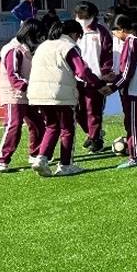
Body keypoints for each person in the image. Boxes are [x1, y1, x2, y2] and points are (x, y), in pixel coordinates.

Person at [28, 20, 110, 176]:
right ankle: (65, 165)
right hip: (60, 93)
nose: (78, 40)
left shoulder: (43, 46)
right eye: (78, 36)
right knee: (67, 129)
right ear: (74, 34)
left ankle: (41, 158)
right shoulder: (68, 47)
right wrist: (99, 84)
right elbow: (82, 71)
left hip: (37, 93)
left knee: (52, 126)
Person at [0, 19, 45, 172]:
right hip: (14, 95)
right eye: (38, 36)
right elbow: (14, 76)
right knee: (14, 125)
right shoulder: (13, 50)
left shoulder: (25, 49)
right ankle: (2, 160)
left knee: (38, 124)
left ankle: (35, 154)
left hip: (27, 94)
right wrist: (30, 86)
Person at [108, 14, 137, 169]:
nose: (114, 35)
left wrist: (113, 87)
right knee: (134, 121)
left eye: (114, 32)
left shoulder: (132, 42)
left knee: (133, 123)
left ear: (121, 29)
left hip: (135, 90)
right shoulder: (134, 42)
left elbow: (127, 72)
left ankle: (136, 155)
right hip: (135, 88)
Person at [72, 1, 113, 153]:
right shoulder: (72, 31)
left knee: (93, 111)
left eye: (85, 17)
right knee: (76, 111)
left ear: (93, 16)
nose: (82, 20)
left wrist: (105, 72)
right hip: (74, 79)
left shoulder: (101, 31)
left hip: (95, 78)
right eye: (79, 16)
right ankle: (92, 133)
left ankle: (96, 140)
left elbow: (108, 54)